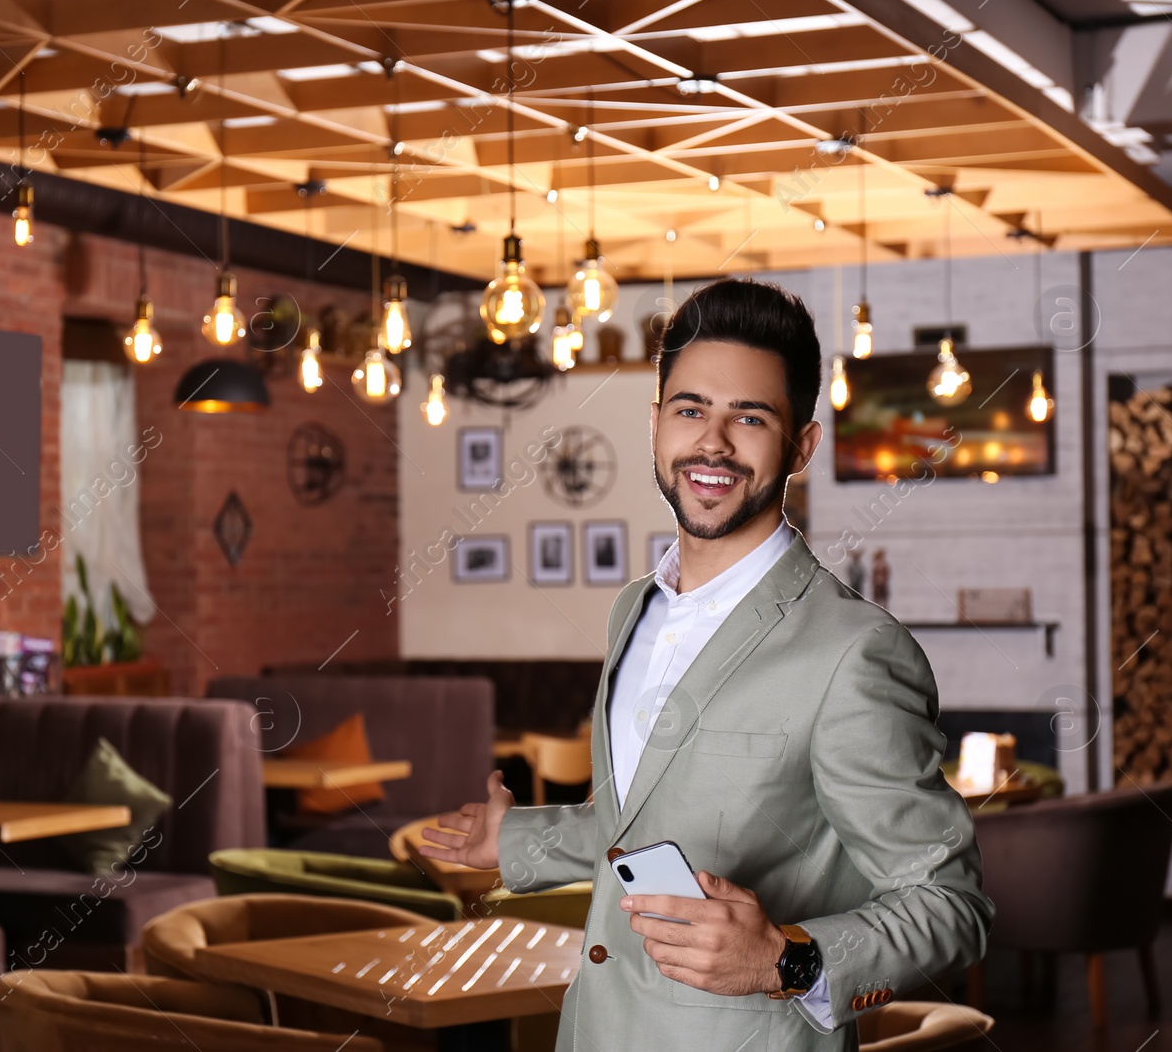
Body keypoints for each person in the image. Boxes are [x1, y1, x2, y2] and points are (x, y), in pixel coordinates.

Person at [420, 278, 991, 1051]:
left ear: (801, 445)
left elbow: (950, 902)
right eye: (691, 410)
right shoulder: (635, 609)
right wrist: (518, 842)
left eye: (748, 417)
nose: (712, 444)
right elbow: (654, 828)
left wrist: (786, 960)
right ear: (656, 424)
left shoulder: (853, 651)